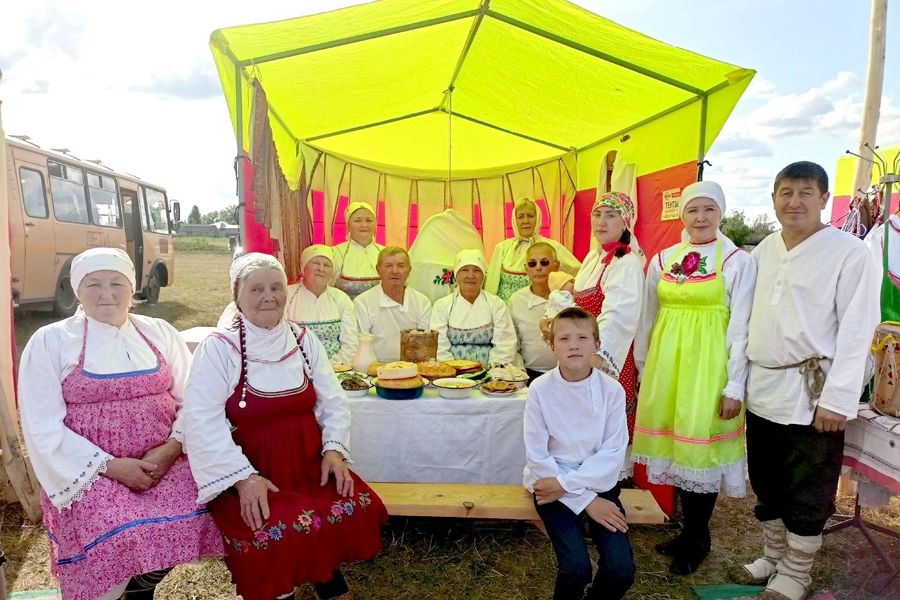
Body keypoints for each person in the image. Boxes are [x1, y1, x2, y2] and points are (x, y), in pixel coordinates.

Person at [18, 247, 222, 600]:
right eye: (93, 284)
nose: (107, 294)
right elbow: (41, 426)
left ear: (133, 288)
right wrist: (112, 467)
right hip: (92, 473)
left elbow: (195, 398)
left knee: (212, 511)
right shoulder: (52, 341)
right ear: (76, 289)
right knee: (121, 532)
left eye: (117, 283)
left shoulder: (159, 332)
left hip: (166, 462)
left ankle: (142, 589)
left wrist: (173, 447)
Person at [183, 253, 387, 600]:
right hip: (253, 472)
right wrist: (244, 480)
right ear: (237, 297)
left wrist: (334, 450)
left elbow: (333, 400)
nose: (268, 296)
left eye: (276, 287)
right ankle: (285, 592)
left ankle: (327, 577)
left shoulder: (304, 340)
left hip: (307, 464)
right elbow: (201, 421)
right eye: (256, 289)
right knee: (279, 530)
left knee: (353, 506)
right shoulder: (219, 349)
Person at [739, 162, 879, 600]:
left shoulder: (850, 252)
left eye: (805, 192)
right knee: (765, 479)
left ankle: (797, 573)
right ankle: (774, 557)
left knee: (808, 484)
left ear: (823, 199)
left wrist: (838, 398)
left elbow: (859, 328)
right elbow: (744, 320)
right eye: (785, 192)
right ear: (774, 199)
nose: (794, 201)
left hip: (814, 392)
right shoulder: (762, 250)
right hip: (763, 387)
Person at [632, 180, 756, 575]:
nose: (700, 218)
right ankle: (689, 533)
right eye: (692, 210)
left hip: (708, 368)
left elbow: (741, 327)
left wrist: (734, 384)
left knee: (698, 451)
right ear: (682, 214)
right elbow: (647, 317)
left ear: (721, 212)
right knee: (676, 450)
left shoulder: (736, 261)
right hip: (667, 366)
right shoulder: (663, 258)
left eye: (709, 210)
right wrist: (644, 366)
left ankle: (699, 537)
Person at [524, 307, 635, 600]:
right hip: (551, 485)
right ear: (552, 346)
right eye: (564, 339)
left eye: (583, 337)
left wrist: (584, 493)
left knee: (621, 569)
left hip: (596, 485)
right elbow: (537, 455)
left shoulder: (612, 390)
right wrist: (585, 501)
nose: (574, 345)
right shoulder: (539, 389)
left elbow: (612, 452)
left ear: (597, 344)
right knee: (576, 568)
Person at [572, 191, 644, 436]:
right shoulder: (594, 256)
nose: (601, 222)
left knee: (606, 434)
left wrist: (596, 357)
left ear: (624, 222)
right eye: (597, 214)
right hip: (582, 354)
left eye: (610, 215)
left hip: (607, 361)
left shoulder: (627, 263)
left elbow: (618, 317)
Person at [431, 249, 518, 366]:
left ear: (483, 275)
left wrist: (492, 372)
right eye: (464, 270)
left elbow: (505, 344)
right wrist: (453, 372)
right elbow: (438, 346)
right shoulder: (441, 306)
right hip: (452, 374)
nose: (470, 276)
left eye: (477, 270)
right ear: (456, 274)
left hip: (491, 372)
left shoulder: (497, 304)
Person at [485, 196, 580, 301]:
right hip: (504, 312)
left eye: (530, 216)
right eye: (520, 216)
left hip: (540, 309)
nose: (525, 221)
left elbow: (578, 271)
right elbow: (491, 285)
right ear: (514, 220)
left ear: (538, 218)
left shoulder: (551, 247)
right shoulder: (502, 248)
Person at [354, 246, 432, 363]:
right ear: (378, 269)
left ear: (409, 270)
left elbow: (423, 344)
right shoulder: (363, 302)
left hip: (413, 368)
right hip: (374, 369)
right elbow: (362, 346)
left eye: (401, 266)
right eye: (388, 265)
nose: (395, 271)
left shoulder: (422, 302)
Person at [284, 245, 359, 365]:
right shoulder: (287, 296)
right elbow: (281, 339)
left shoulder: (341, 299)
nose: (321, 269)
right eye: (315, 263)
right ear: (303, 267)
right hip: (296, 369)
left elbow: (350, 343)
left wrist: (329, 368)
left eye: (327, 265)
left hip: (336, 369)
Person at [508, 242, 561, 381]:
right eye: (532, 264)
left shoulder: (568, 297)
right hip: (529, 376)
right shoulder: (516, 300)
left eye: (544, 262)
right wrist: (520, 374)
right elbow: (513, 345)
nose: (538, 268)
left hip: (567, 375)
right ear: (526, 269)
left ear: (557, 265)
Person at [332, 202, 384, 300]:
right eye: (357, 220)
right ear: (348, 224)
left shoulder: (385, 252)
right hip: (348, 313)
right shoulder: (337, 253)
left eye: (369, 220)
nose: (364, 225)